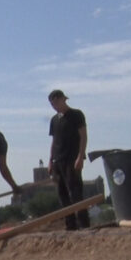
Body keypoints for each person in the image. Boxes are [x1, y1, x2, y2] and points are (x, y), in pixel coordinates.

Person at [47, 89, 90, 230]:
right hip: (58, 160)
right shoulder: (54, 120)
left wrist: (80, 156)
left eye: (56, 103)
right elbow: (54, 141)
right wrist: (50, 160)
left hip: (72, 158)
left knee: (75, 192)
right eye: (52, 104)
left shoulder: (76, 115)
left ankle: (84, 224)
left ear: (63, 99)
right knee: (62, 194)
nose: (55, 106)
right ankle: (70, 225)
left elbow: (83, 136)